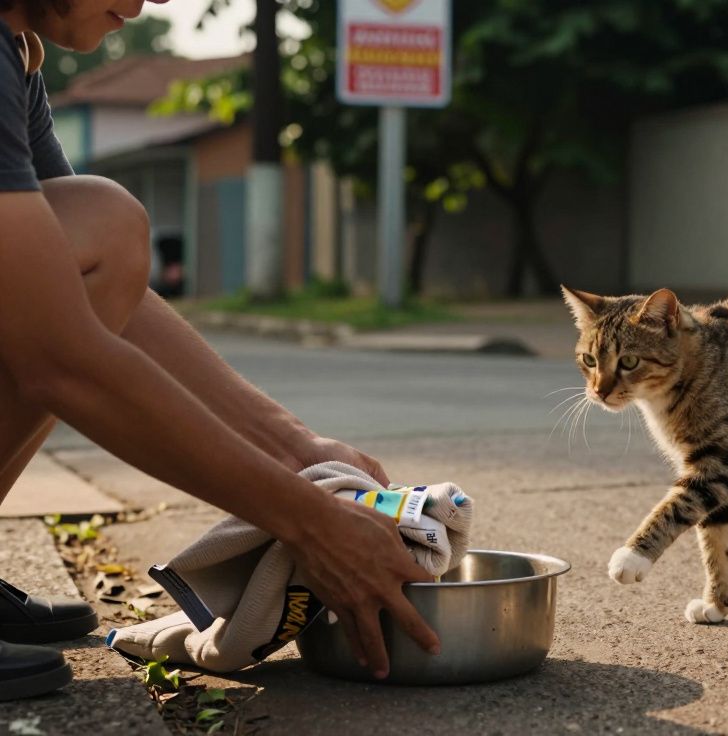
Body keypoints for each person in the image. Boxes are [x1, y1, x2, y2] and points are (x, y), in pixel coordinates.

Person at [0, 0, 439, 701]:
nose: (145, 6)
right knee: (108, 223)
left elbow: (81, 279)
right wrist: (309, 520)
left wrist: (299, 450)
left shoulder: (16, 56)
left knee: (105, 232)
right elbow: (62, 357)